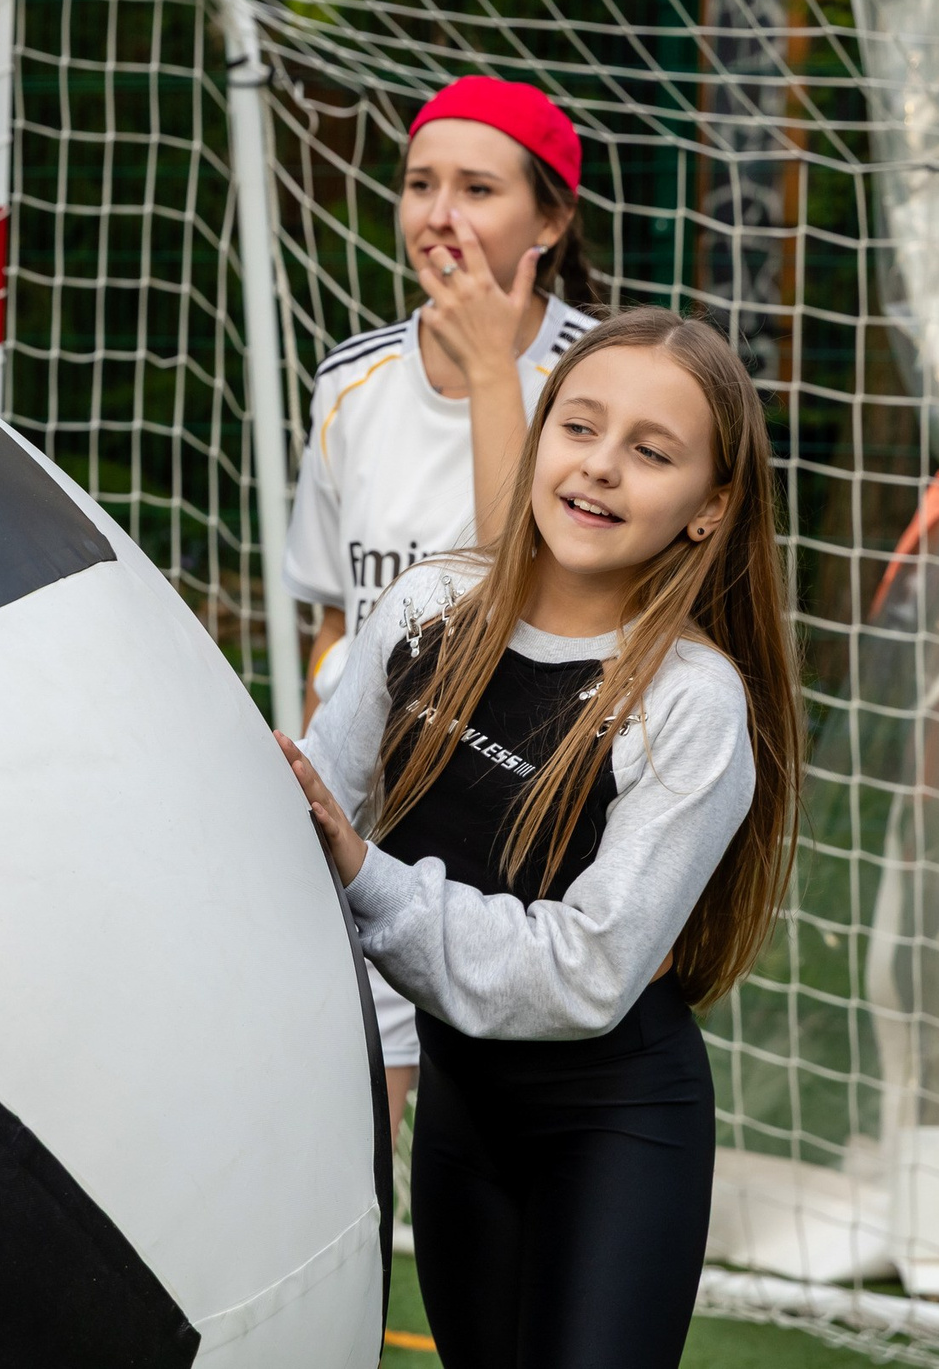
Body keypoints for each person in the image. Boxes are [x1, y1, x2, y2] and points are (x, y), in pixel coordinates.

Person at [279, 308, 799, 1369]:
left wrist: (364, 876)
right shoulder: (427, 609)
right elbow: (305, 824)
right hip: (460, 1121)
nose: (601, 468)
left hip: (615, 1131)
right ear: (537, 438)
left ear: (709, 508)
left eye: (651, 453)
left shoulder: (690, 702)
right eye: (579, 426)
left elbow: (584, 972)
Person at [285, 75, 601, 1141]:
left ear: (549, 221)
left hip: (518, 832)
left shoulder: (604, 383)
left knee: (495, 1167)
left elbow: (529, 573)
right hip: (366, 817)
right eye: (420, 185)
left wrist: (488, 366)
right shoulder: (350, 382)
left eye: (477, 187)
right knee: (344, 1143)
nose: (439, 215)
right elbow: (330, 614)